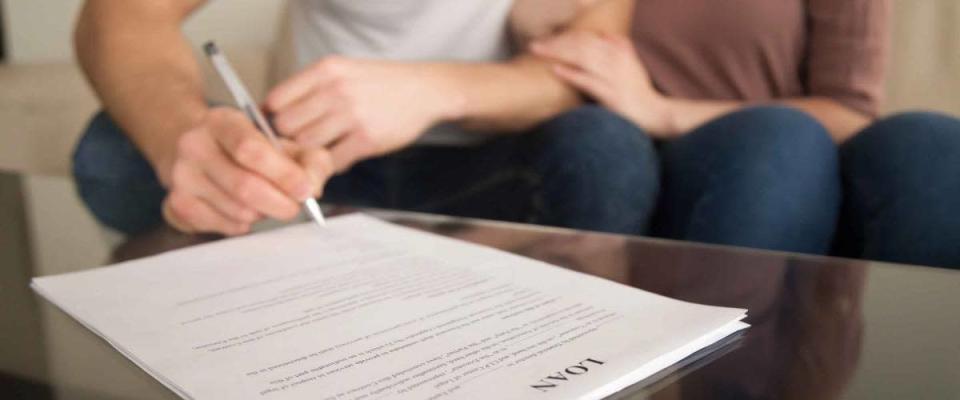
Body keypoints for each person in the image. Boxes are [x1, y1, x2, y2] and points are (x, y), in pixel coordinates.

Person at [72, 0, 658, 237]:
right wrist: (181, 136)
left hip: (488, 177)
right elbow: (122, 17)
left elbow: (590, 66)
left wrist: (433, 90)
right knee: (114, 149)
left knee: (605, 149)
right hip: (313, 173)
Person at [531, 0, 960, 268]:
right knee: (780, 140)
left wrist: (661, 111)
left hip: (785, 163)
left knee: (934, 146)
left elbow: (849, 110)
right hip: (640, 155)